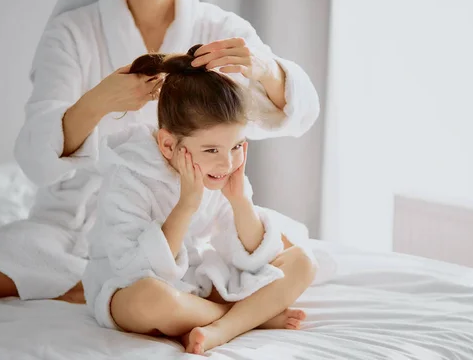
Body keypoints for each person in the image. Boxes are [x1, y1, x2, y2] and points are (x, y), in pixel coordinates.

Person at [0, 0, 319, 303]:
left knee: (289, 251)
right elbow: (34, 158)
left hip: (192, 209)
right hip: (85, 214)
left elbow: (303, 113)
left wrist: (266, 70)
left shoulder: (218, 28)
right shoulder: (72, 32)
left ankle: (140, 290)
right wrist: (99, 101)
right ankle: (119, 289)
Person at [83, 46, 316, 354]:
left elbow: (252, 254)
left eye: (236, 146)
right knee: (152, 298)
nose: (227, 163)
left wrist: (239, 202)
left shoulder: (220, 170)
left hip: (195, 288)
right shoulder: (128, 175)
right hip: (128, 288)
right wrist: (187, 205)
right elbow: (133, 269)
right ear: (168, 144)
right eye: (211, 150)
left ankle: (221, 327)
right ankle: (249, 318)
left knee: (301, 262)